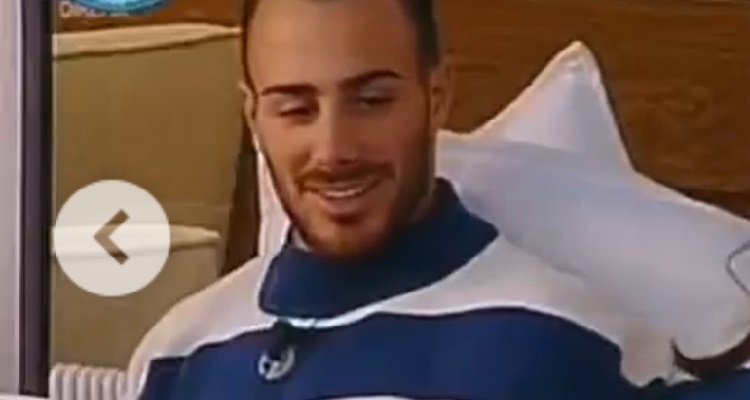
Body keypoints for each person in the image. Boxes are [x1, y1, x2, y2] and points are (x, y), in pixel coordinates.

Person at [127, 0, 750, 399]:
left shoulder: (565, 342)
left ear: (437, 96)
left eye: (372, 100)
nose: (334, 149)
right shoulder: (177, 354)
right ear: (253, 116)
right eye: (295, 108)